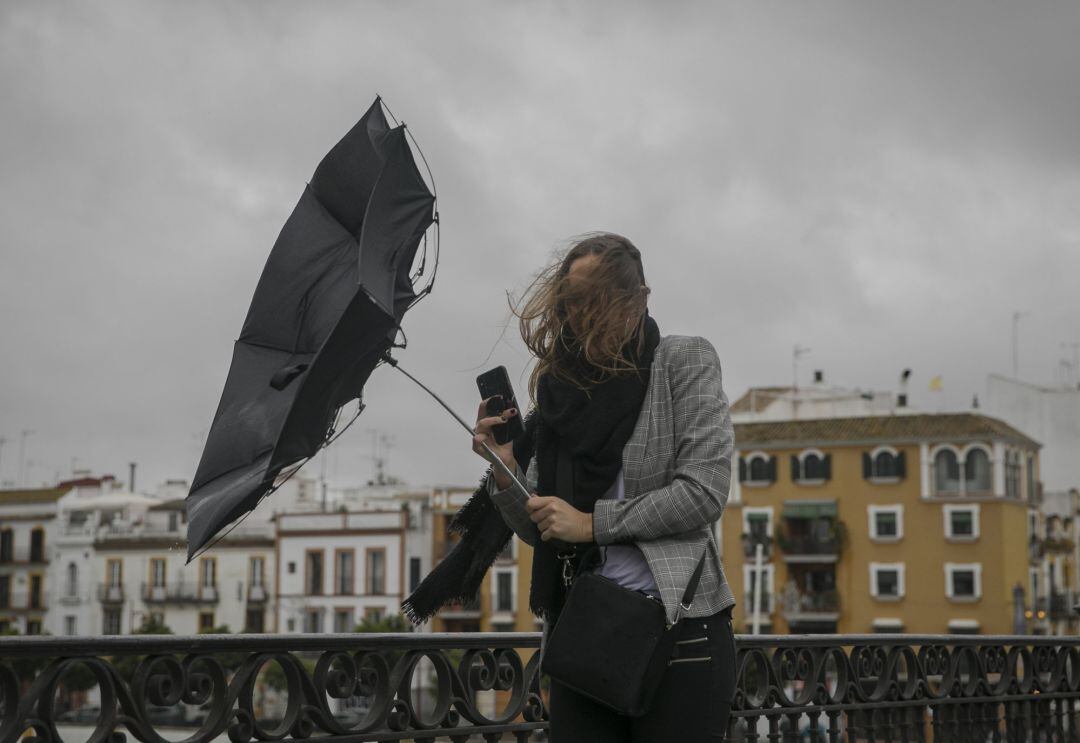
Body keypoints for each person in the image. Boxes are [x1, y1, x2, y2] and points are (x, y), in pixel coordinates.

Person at [470, 233, 737, 742]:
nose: (580, 315)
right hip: (587, 635)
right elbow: (543, 527)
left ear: (639, 298)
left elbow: (703, 490)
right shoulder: (561, 389)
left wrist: (594, 524)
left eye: (598, 299)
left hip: (681, 635)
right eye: (572, 301)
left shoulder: (682, 360)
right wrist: (503, 468)